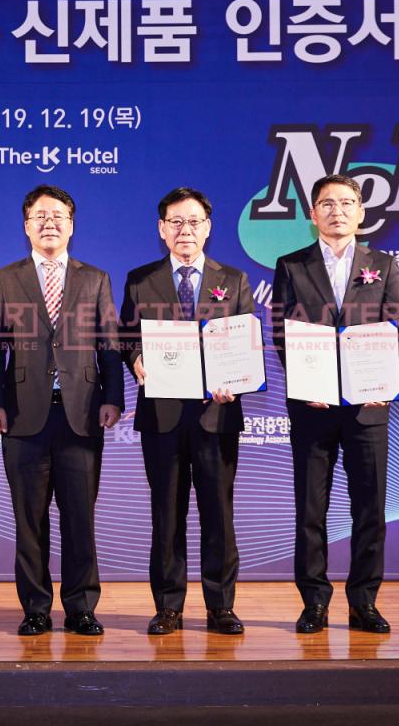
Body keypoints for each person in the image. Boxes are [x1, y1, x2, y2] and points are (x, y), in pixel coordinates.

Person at [270, 173, 399, 634]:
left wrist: (384, 380)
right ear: (313, 214)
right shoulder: (291, 265)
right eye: (327, 204)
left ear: (361, 212)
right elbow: (281, 333)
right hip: (313, 407)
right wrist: (304, 381)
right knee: (311, 510)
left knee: (369, 507)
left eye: (347, 202)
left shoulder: (383, 265)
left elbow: (398, 331)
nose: (338, 211)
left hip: (367, 407)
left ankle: (364, 601)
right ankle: (314, 602)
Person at [0, 185, 123, 636]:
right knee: (30, 521)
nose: (49, 223)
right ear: (26, 225)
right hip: (22, 414)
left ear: (72, 225)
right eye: (40, 216)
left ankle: (81, 607)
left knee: (80, 519)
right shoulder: (5, 278)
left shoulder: (95, 278)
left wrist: (113, 397)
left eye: (58, 215)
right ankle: (36, 608)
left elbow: (110, 344)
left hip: (81, 414)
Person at [120, 187, 254, 636]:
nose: (185, 230)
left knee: (219, 515)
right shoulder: (140, 280)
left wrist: (235, 380)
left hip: (217, 416)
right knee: (167, 515)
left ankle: (221, 606)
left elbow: (245, 342)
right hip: (162, 416)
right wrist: (135, 358)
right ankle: (168, 606)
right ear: (161, 229)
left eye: (194, 221)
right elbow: (125, 336)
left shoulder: (233, 279)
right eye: (175, 222)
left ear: (208, 228)